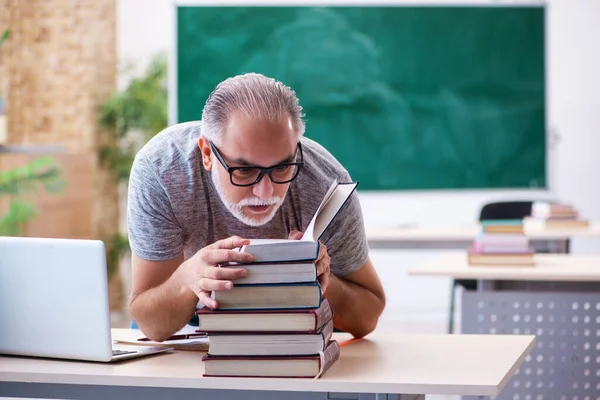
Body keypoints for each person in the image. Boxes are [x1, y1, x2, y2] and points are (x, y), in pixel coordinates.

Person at [127, 73, 386, 342]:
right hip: (184, 328)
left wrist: (315, 278)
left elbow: (367, 318)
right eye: (244, 170)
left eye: (283, 167)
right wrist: (187, 278)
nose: (265, 193)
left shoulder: (325, 183)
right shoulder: (161, 171)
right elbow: (152, 325)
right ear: (207, 154)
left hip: (285, 329)